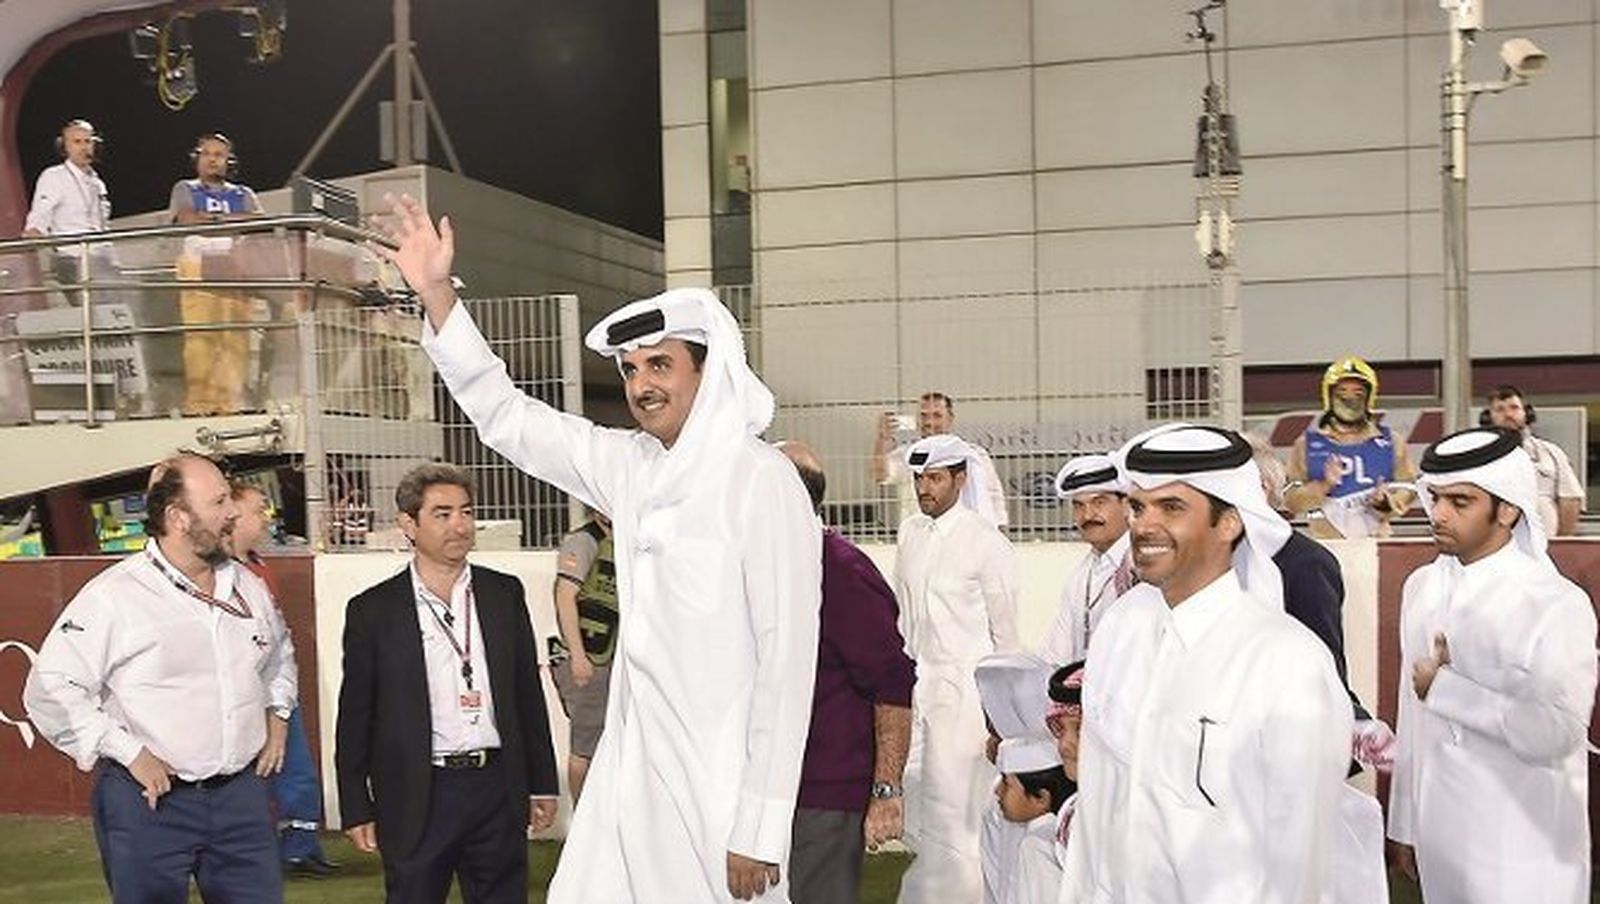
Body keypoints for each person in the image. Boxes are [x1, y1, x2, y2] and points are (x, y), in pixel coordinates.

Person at [379, 194, 822, 903]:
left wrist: (761, 825)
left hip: (719, 797)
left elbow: (788, 663)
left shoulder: (761, 480)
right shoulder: (631, 465)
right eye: (632, 369)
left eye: (660, 365)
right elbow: (509, 418)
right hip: (629, 787)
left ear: (705, 375)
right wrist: (436, 295)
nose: (642, 385)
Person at [1062, 425, 1353, 903]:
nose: (1144, 524)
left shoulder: (1288, 661)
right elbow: (1098, 812)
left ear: (1230, 522)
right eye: (1137, 506)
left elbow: (1298, 860)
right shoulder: (1120, 630)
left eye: (1171, 507)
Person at [23, 453, 296, 903]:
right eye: (219, 501)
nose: (233, 512)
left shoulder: (248, 587)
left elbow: (279, 653)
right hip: (150, 803)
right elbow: (49, 689)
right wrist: (128, 752)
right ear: (178, 517)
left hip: (241, 799)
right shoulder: (114, 597)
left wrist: (279, 710)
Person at [1387, 426, 1597, 903]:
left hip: (1525, 846)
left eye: (1459, 503)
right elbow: (1410, 711)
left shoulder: (1555, 603)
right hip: (1442, 836)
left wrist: (1448, 691)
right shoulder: (1421, 587)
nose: (1437, 514)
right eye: (1434, 497)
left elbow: (1558, 733)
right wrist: (1404, 821)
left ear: (1507, 509)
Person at [334, 462, 559, 903]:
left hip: (496, 787)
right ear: (408, 524)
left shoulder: (503, 594)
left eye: (466, 512)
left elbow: (526, 697)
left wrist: (543, 780)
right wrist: (355, 804)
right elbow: (356, 715)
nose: (459, 524)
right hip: (418, 791)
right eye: (441, 514)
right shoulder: (372, 611)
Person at [778, 440, 917, 904]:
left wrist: (885, 790)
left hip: (824, 792)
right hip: (775, 788)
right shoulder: (773, 567)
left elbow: (892, 683)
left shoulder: (839, 570)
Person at [893, 433, 1021, 904]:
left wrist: (1001, 718)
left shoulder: (985, 540)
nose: (926, 488)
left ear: (960, 479)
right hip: (916, 690)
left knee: (959, 813)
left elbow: (1005, 637)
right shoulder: (910, 533)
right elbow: (903, 618)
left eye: (936, 478)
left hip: (966, 698)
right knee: (914, 803)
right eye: (920, 478)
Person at [227, 482, 339, 878]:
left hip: (275, 689)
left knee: (294, 768)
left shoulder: (257, 567)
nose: (266, 518)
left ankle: (299, 846)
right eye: (259, 509)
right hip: (245, 694)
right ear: (233, 513)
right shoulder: (220, 574)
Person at [167, 133, 266, 415]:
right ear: (197, 158)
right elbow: (187, 219)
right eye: (207, 153)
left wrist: (211, 221)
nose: (212, 159)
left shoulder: (243, 193)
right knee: (200, 337)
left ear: (228, 161)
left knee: (235, 338)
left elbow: (258, 221)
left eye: (219, 154)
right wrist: (230, 222)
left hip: (235, 267)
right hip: (197, 265)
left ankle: (230, 402)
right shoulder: (185, 188)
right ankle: (199, 403)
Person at [1283, 356, 1416, 539]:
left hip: (1377, 546)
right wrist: (1323, 486)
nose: (1349, 399)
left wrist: (1387, 502)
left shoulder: (1391, 442)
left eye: (1358, 393)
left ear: (1369, 398)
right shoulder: (1306, 445)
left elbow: (1409, 487)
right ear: (1329, 396)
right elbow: (1291, 500)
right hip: (1325, 546)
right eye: (1342, 391)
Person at [975, 654, 1069, 904]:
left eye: (1007, 782)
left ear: (1041, 798)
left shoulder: (1044, 845)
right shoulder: (996, 812)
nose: (998, 792)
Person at [1038, 454, 1136, 664]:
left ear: (1126, 505)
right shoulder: (1081, 576)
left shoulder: (1141, 565)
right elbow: (1057, 653)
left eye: (1099, 502)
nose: (1088, 514)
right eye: (1079, 506)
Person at [547, 511, 616, 805]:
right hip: (591, 658)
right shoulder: (584, 540)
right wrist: (578, 656)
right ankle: (582, 822)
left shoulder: (626, 537)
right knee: (585, 747)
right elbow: (565, 596)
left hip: (614, 657)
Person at [873, 392, 1009, 529]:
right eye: (923, 415)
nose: (929, 422)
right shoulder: (908, 454)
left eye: (937, 415)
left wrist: (1000, 527)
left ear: (950, 418)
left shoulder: (973, 454)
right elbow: (880, 475)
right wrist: (882, 439)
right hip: (920, 533)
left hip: (964, 533)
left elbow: (993, 493)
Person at [1483, 384, 1584, 537]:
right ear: (1488, 417)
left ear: (1527, 413)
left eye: (1514, 407)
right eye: (1500, 409)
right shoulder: (1478, 454)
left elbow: (1570, 499)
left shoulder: (1551, 452)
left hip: (1544, 542)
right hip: (1494, 547)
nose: (1508, 414)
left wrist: (1562, 543)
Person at [23, 119, 109, 240]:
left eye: (88, 141)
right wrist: (33, 233)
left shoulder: (97, 182)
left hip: (100, 251)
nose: (84, 147)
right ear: (65, 146)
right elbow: (40, 216)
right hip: (68, 254)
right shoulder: (54, 176)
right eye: (77, 142)